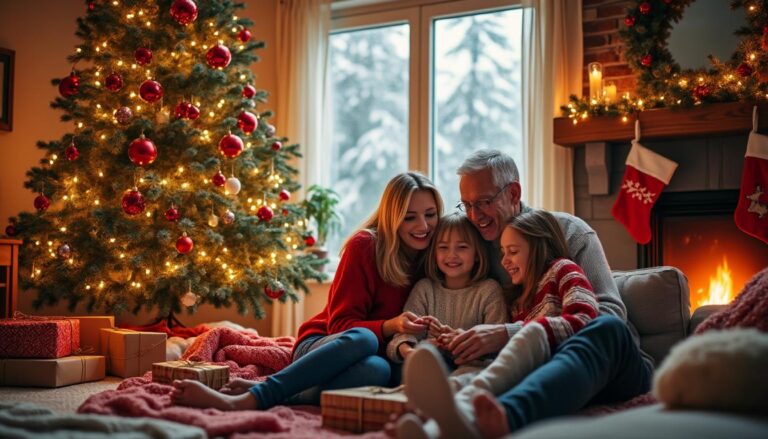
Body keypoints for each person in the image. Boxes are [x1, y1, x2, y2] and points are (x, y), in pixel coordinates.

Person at [398, 149, 653, 438]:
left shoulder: (569, 235)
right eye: (466, 205)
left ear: (514, 193)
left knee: (606, 328)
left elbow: (608, 314)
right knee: (488, 373)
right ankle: (441, 424)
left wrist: (509, 333)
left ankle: (503, 419)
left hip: (607, 365)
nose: (473, 215)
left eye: (483, 202)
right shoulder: (470, 242)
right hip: (532, 367)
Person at [171, 171, 444, 411]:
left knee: (379, 371)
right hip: (324, 344)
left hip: (379, 355)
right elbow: (341, 326)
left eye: (430, 215)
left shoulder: (437, 255)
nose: (423, 226)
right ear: (392, 218)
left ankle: (278, 391)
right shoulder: (365, 246)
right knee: (365, 339)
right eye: (410, 218)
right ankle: (254, 398)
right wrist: (390, 326)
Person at [401, 210, 600, 438]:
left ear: (539, 248)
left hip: (558, 366)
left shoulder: (562, 269)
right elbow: (507, 350)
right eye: (503, 252)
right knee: (472, 384)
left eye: (513, 252)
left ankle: (452, 408)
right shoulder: (518, 300)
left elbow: (586, 320)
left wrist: (514, 333)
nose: (504, 261)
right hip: (530, 373)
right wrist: (460, 339)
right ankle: (433, 428)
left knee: (479, 377)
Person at [386, 211, 507, 387]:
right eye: (443, 247)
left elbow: (498, 350)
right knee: (419, 362)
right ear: (434, 254)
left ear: (477, 254)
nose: (452, 255)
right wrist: (410, 352)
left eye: (462, 247)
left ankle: (447, 396)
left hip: (472, 369)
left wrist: (455, 343)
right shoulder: (425, 289)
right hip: (429, 365)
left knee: (474, 373)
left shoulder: (489, 290)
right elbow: (401, 338)